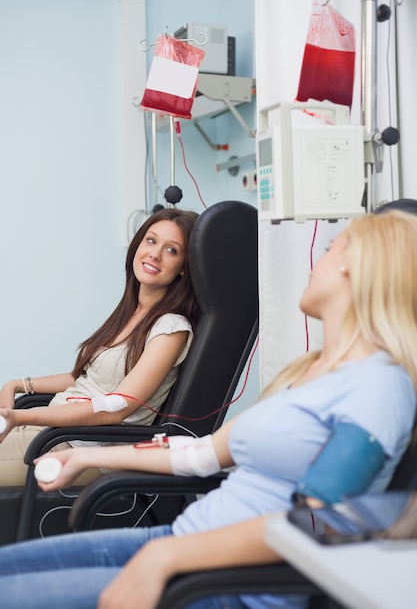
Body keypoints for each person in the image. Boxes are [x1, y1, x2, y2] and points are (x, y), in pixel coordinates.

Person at [0, 209, 417, 609]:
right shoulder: (309, 372)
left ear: (356, 268)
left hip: (225, 582)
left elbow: (315, 523)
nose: (315, 261)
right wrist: (87, 455)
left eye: (329, 250)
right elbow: (199, 453)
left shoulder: (378, 387)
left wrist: (168, 559)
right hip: (180, 542)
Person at [0, 208, 199, 486]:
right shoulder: (131, 313)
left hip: (74, 448)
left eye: (172, 250)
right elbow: (84, 377)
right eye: (151, 241)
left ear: (184, 268)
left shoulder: (170, 328)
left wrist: (19, 416)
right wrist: (17, 384)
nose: (155, 254)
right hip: (50, 432)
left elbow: (116, 407)